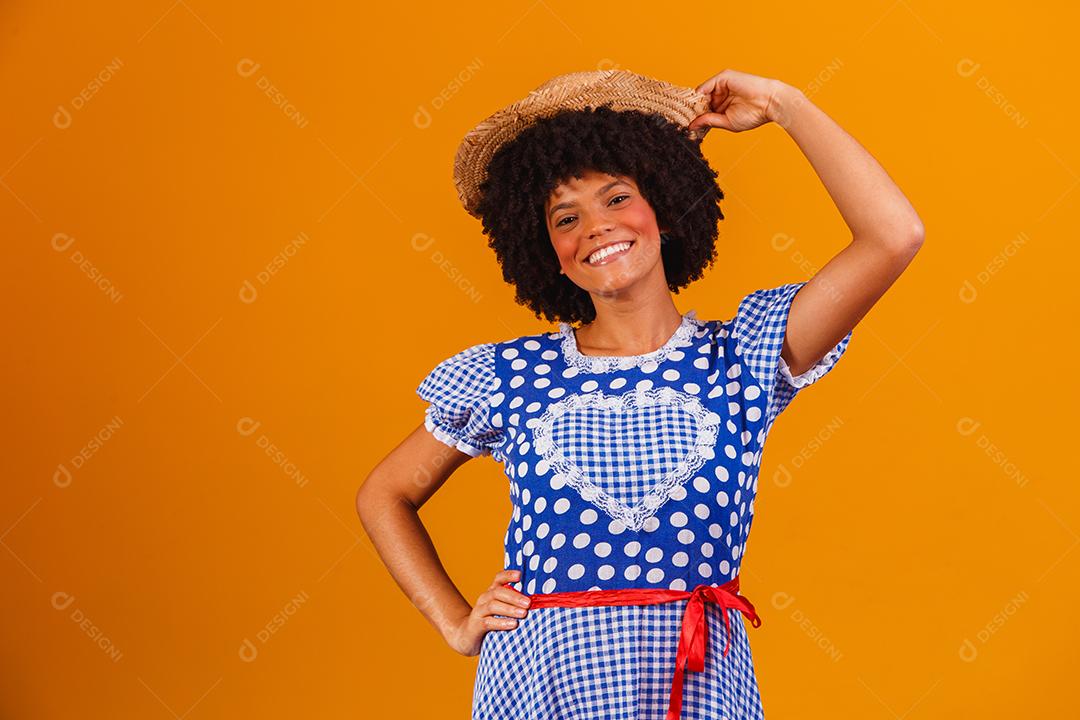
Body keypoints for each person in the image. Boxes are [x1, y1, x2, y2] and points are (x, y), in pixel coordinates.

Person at [356, 67, 924, 720]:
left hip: (699, 678)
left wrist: (782, 104)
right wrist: (456, 623)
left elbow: (893, 235)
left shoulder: (745, 356)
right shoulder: (507, 378)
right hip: (542, 686)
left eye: (617, 198)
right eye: (566, 217)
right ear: (549, 254)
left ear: (664, 209)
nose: (596, 226)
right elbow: (385, 494)